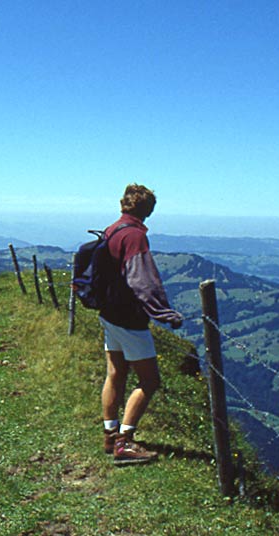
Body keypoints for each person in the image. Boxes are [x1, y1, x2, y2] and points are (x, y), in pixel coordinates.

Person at [99, 183, 184, 466]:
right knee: (150, 381)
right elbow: (142, 281)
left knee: (116, 373)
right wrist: (165, 313)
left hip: (109, 313)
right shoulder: (135, 236)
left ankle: (111, 435)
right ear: (148, 210)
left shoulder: (112, 229)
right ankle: (124, 443)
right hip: (129, 317)